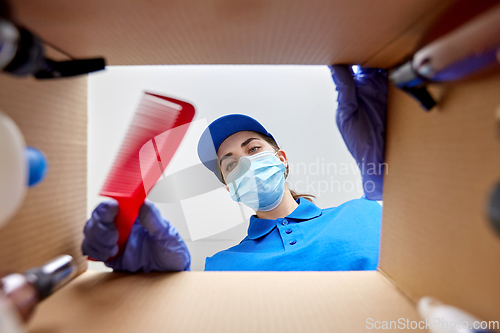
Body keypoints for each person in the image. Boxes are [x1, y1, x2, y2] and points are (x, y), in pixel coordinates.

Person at [81, 65, 388, 272]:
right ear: (230, 188)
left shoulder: (364, 213)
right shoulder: (222, 265)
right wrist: (159, 287)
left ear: (281, 159)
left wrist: (391, 178)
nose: (244, 163)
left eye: (253, 148)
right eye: (230, 164)